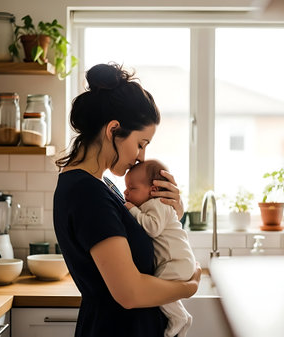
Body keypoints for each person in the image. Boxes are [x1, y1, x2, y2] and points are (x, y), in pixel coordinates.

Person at [53, 63, 201, 337]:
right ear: (113, 130)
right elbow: (129, 293)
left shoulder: (101, 185)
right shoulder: (87, 194)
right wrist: (189, 287)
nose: (142, 157)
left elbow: (140, 241)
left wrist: (171, 213)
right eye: (141, 143)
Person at [124, 159, 196, 337]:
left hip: (176, 262)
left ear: (154, 189)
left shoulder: (158, 204)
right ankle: (183, 318)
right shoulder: (153, 205)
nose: (125, 192)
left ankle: (179, 318)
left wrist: (132, 210)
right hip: (176, 262)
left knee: (158, 291)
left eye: (132, 188)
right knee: (164, 293)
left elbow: (152, 228)